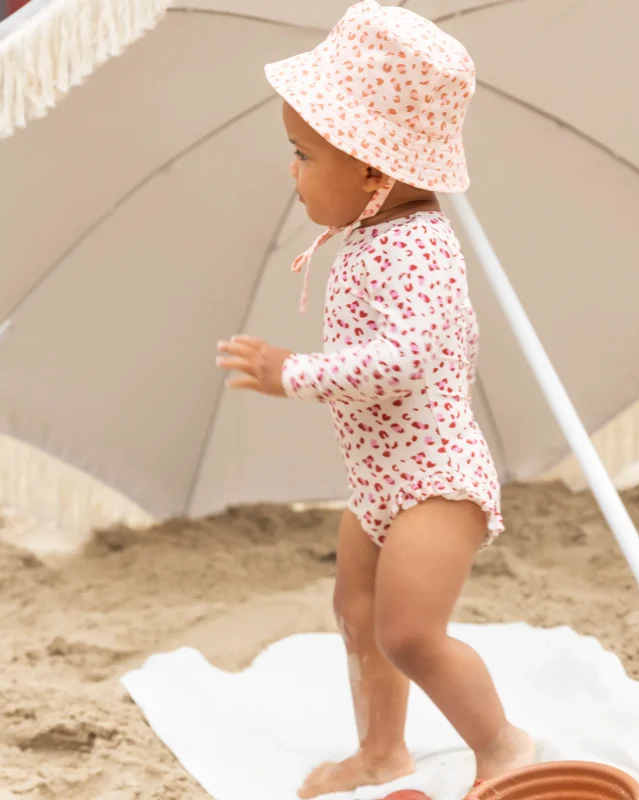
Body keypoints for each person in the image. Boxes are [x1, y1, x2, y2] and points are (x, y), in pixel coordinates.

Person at [216, 2, 535, 797]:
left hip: (435, 479)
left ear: (371, 171)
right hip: (379, 477)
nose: (290, 169)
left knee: (410, 633)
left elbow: (409, 359)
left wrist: (295, 371)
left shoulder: (420, 247)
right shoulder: (370, 236)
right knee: (356, 616)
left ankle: (504, 747)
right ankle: (382, 750)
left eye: (302, 154)